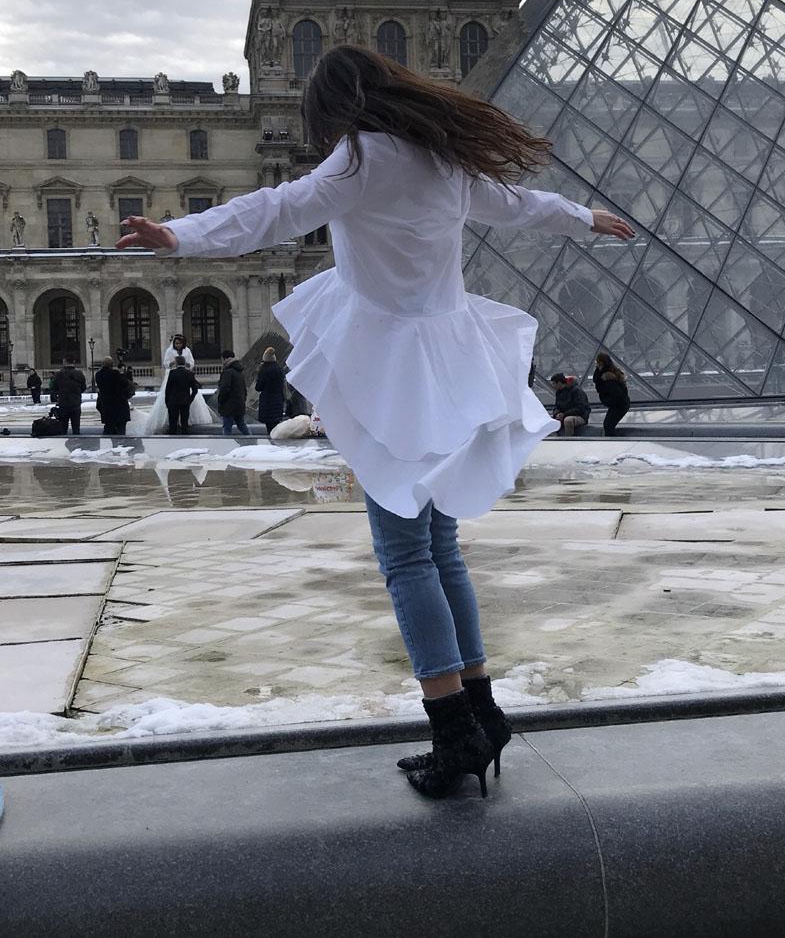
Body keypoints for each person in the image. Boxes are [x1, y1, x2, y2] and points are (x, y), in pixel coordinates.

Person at [117, 44, 634, 799]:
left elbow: (275, 210)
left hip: (393, 363)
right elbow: (519, 206)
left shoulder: (361, 159)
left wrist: (179, 235)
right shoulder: (442, 157)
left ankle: (452, 725)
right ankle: (480, 710)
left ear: (333, 111)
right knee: (439, 546)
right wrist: (585, 218)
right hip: (452, 354)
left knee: (405, 555)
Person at [144, 334, 213, 434]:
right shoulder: (169, 351)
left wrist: (185, 364)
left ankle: (186, 422)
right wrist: (173, 363)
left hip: (185, 375)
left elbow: (192, 362)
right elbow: (165, 363)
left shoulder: (187, 351)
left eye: (180, 343)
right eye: (176, 343)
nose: (178, 345)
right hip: (173, 374)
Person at [94, 357, 135, 436]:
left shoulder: (98, 375)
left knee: (108, 429)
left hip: (106, 407)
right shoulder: (115, 374)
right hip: (119, 407)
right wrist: (124, 374)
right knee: (121, 431)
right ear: (112, 364)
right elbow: (126, 384)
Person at [592, 352, 631, 436]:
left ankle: (612, 442)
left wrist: (607, 401)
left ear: (600, 363)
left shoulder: (608, 377)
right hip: (619, 404)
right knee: (608, 424)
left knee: (608, 425)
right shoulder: (607, 372)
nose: (595, 364)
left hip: (619, 405)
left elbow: (616, 394)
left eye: (596, 362)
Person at [164, 355, 201, 435]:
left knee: (173, 423)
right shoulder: (189, 374)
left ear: (176, 363)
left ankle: (172, 438)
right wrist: (190, 400)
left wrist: (167, 401)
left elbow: (168, 389)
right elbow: (195, 389)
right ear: (184, 363)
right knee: (184, 422)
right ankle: (185, 438)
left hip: (173, 401)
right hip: (185, 401)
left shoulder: (172, 373)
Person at [255, 347, 288, 435]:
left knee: (269, 426)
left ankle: (272, 445)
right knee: (276, 425)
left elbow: (258, 387)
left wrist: (259, 374)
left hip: (267, 402)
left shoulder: (264, 370)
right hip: (278, 400)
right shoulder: (279, 369)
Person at [216, 350, 250, 435]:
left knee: (227, 427)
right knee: (241, 424)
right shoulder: (240, 372)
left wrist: (220, 400)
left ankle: (227, 445)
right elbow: (244, 389)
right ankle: (252, 442)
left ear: (225, 359)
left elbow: (224, 389)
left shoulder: (227, 372)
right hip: (239, 403)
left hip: (228, 405)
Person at [549, 372, 591, 436]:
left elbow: (580, 408)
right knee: (549, 421)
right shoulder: (558, 392)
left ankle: (568, 440)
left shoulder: (576, 391)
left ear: (559, 383)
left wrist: (564, 414)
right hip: (565, 415)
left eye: (554, 384)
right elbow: (557, 406)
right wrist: (556, 414)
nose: (552, 386)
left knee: (568, 421)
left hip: (581, 416)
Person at [52, 358, 86, 435]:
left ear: (64, 362)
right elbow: (83, 388)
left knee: (63, 427)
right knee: (76, 427)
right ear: (74, 361)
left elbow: (54, 388)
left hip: (63, 403)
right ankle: (77, 443)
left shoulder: (59, 374)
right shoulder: (79, 374)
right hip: (76, 403)